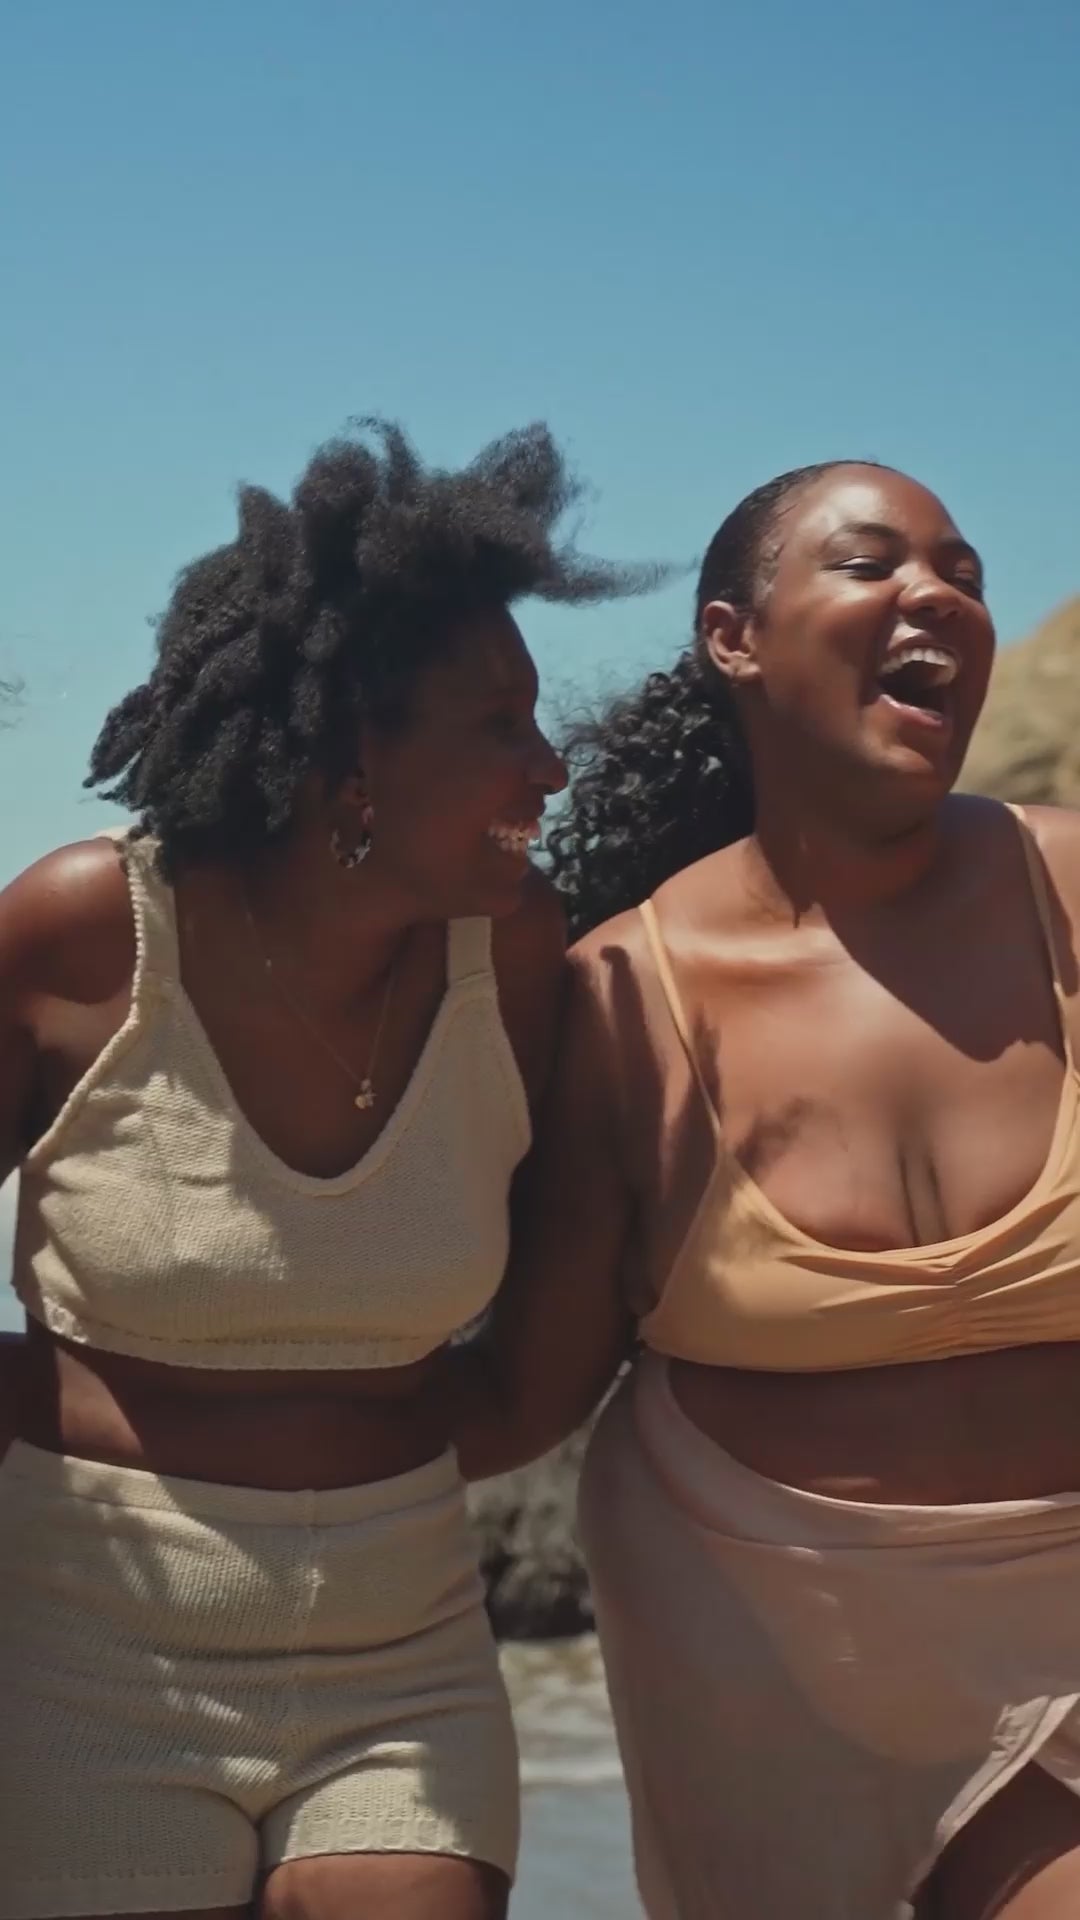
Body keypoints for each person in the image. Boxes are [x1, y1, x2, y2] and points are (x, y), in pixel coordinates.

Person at [0, 416, 655, 1920]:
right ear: (355, 755)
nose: (550, 764)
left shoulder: (515, 955)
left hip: (402, 1639)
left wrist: (358, 1453)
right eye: (500, 724)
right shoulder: (89, 935)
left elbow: (563, 1296)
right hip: (85, 1630)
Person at [452, 459, 1080, 1919]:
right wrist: (184, 1413)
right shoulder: (626, 996)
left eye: (966, 573)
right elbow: (527, 1395)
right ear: (733, 637)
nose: (936, 594)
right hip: (769, 1652)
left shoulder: (1068, 894)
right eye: (871, 563)